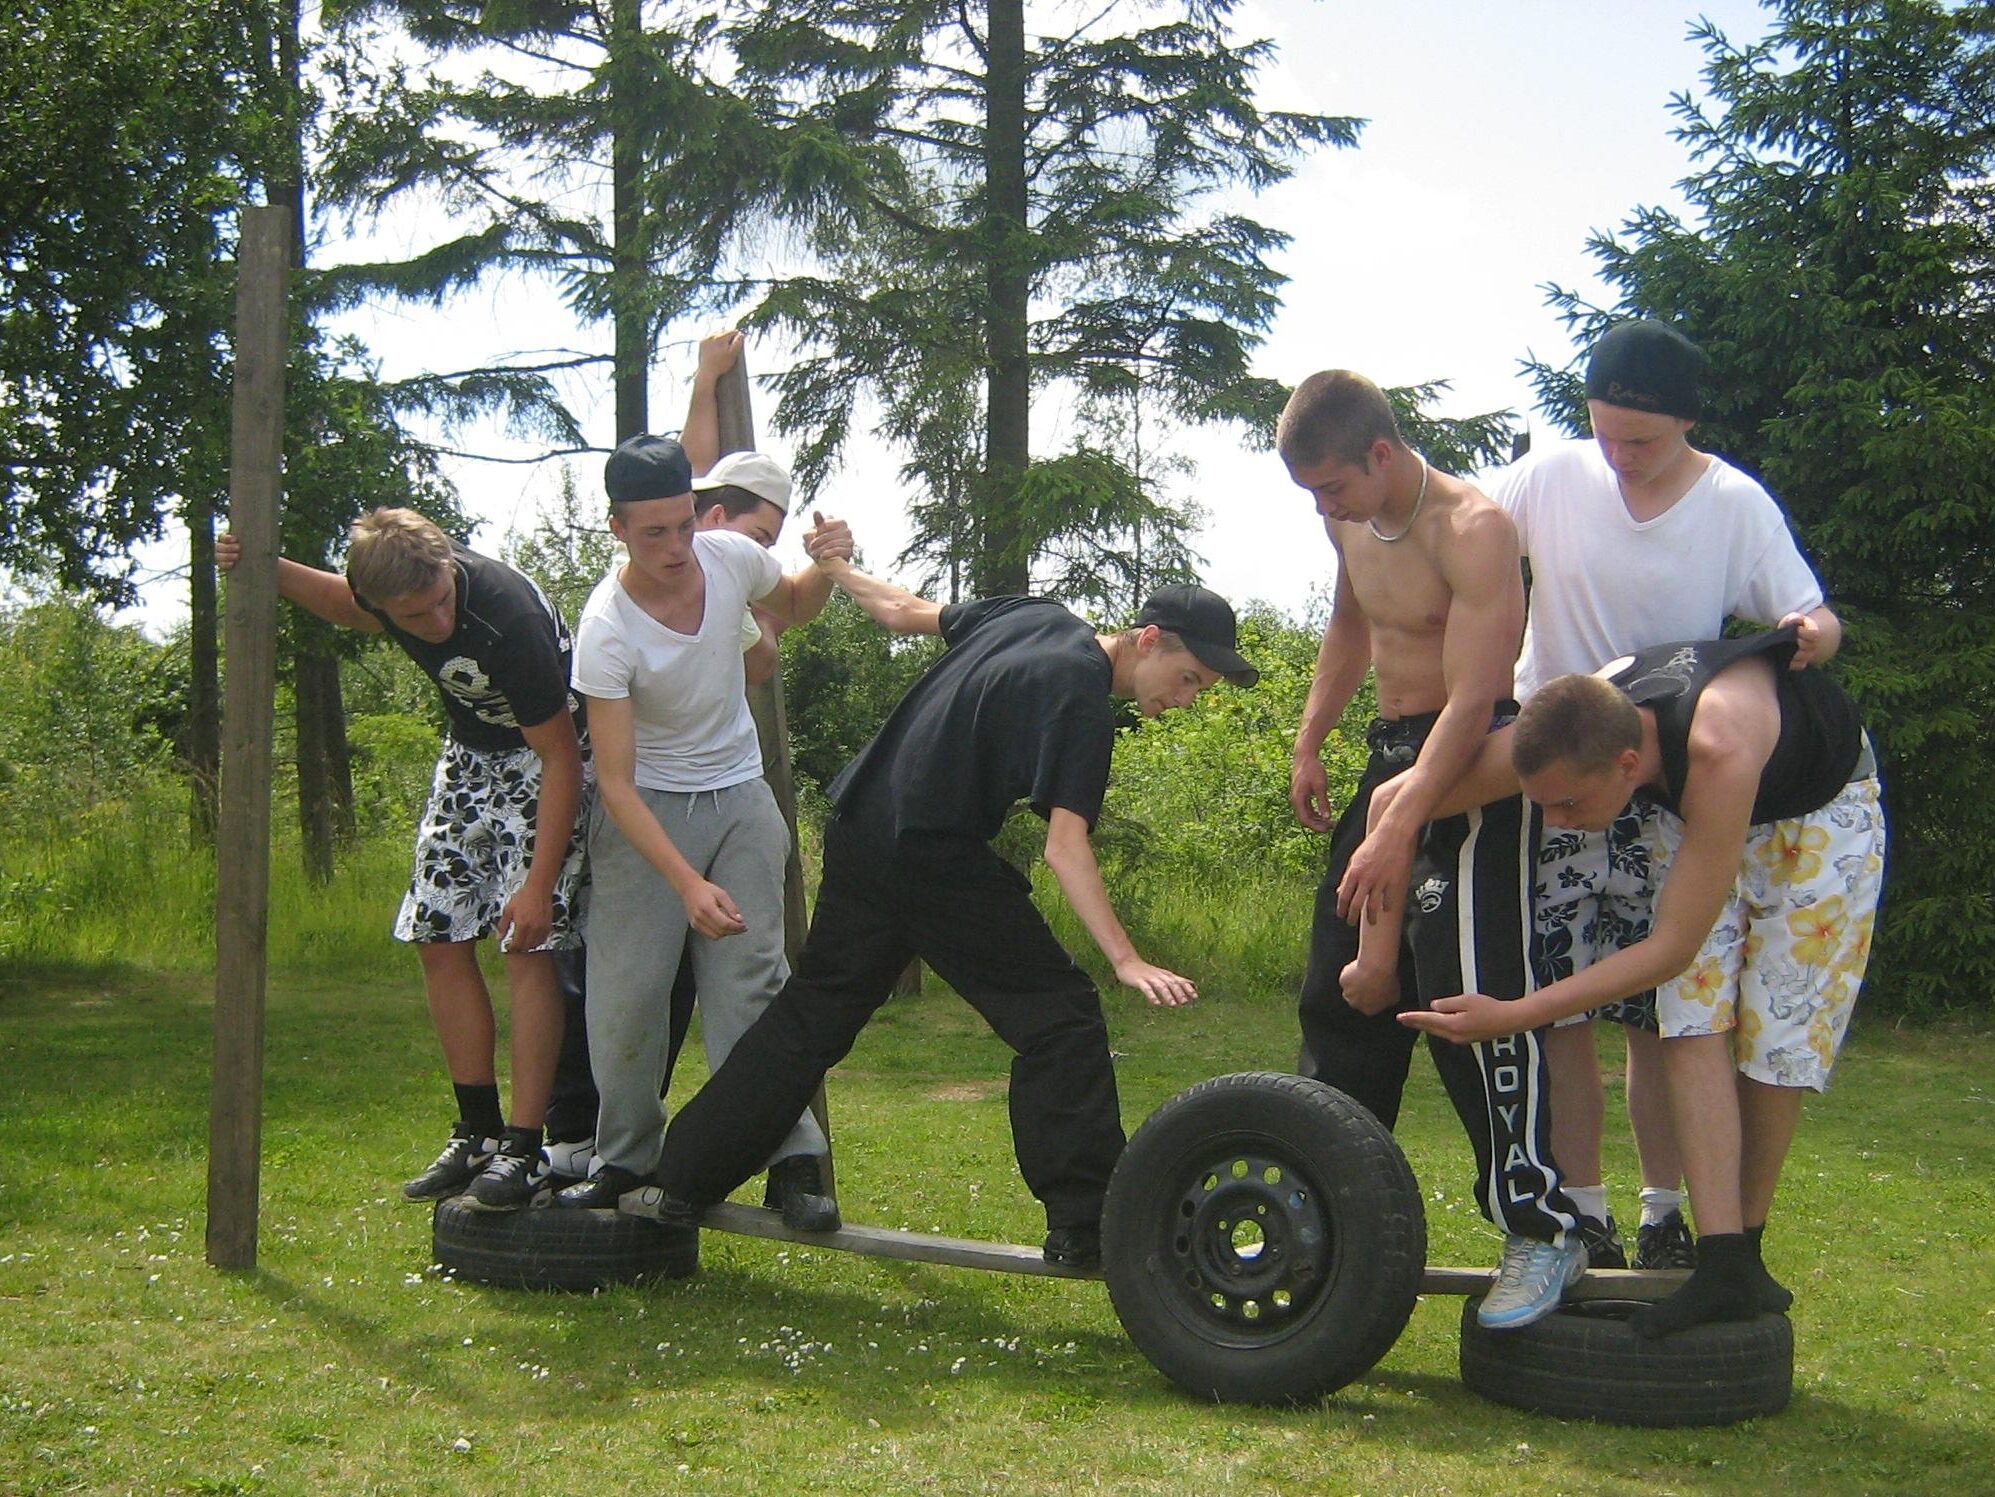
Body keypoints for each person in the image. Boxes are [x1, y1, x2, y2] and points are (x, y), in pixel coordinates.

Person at [635, 568, 1259, 1270]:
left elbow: (901, 611)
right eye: (1189, 678)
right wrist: (1124, 958)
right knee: (1060, 1017)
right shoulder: (1080, 695)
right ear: (1148, 639)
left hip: (862, 825)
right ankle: (1087, 1226)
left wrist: (836, 568)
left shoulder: (1031, 616)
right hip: (930, 856)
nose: (1184, 698)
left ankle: (680, 1180)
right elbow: (1064, 845)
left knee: (810, 1019)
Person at [1482, 318, 1841, 1270]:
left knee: (1657, 1006)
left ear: (1685, 423)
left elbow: (1809, 613)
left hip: (1659, 780)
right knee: (1560, 1005)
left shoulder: (1732, 502)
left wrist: (1812, 631)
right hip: (1553, 765)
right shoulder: (1548, 476)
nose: (1619, 456)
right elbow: (1466, 549)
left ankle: (1660, 1214)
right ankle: (1582, 1212)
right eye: (1603, 433)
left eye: (1638, 440)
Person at [1400, 626, 1883, 1336]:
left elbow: (1667, 948)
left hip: (1818, 816)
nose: (1557, 821)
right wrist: (1385, 836)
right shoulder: (1583, 716)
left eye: (1566, 806)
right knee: (1688, 1016)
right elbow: (1427, 788)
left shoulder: (1714, 745)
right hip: (1694, 805)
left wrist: (1514, 1013)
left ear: (1627, 764)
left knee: (1778, 1037)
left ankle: (1738, 1254)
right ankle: (1719, 1260)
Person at [1278, 369, 1588, 1330]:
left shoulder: (1474, 529)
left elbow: (1476, 688)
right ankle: (1325, 1214)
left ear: (1379, 452)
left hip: (1474, 759)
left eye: (1332, 486)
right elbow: (1347, 624)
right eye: (1312, 496)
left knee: (1467, 1004)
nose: (1324, 508)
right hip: (1388, 756)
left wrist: (1405, 816)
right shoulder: (1346, 521)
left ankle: (1541, 1228)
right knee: (1340, 991)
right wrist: (1309, 733)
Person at [216, 509, 587, 1210]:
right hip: (471, 756)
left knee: (525, 943)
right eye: (414, 616)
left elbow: (561, 752)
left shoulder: (506, 615)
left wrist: (538, 886)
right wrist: (257, 560)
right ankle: (475, 1129)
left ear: (450, 567)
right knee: (437, 934)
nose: (437, 622)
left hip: (549, 758)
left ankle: (523, 1145)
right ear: (379, 601)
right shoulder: (380, 599)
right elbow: (339, 603)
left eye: (444, 599)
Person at [550, 433, 849, 1231]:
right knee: (627, 1000)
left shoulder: (723, 557)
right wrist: (686, 882)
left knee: (750, 988)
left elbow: (789, 606)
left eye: (684, 523)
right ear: (615, 527)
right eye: (654, 532)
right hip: (647, 816)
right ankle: (625, 1162)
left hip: (740, 802)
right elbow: (612, 781)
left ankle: (791, 1163)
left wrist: (823, 563)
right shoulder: (606, 629)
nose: (678, 547)